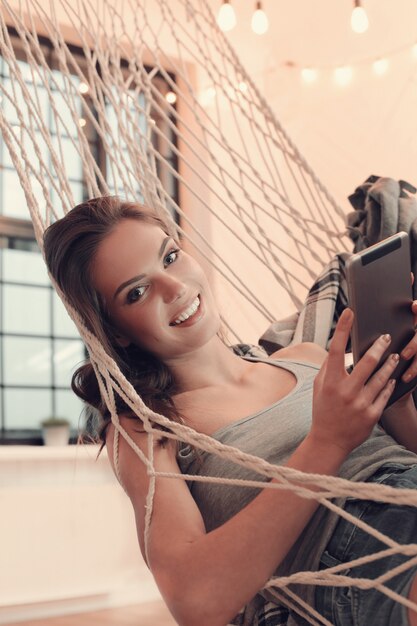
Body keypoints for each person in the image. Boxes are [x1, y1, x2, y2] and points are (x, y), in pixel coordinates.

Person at [43, 196, 417, 626]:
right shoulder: (146, 429)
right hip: (368, 546)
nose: (175, 287)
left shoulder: (307, 357)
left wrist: (400, 400)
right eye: (138, 291)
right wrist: (327, 442)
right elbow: (194, 600)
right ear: (115, 331)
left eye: (170, 256)